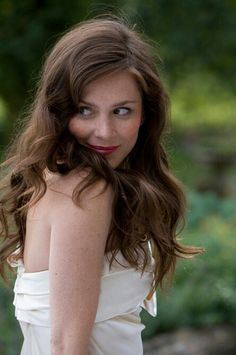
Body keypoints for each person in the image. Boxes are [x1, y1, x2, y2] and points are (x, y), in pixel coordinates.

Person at [0, 16, 203, 355]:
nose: (105, 132)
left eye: (121, 111)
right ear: (60, 110)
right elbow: (65, 347)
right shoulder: (86, 190)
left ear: (146, 115)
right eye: (85, 110)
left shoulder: (55, 180)